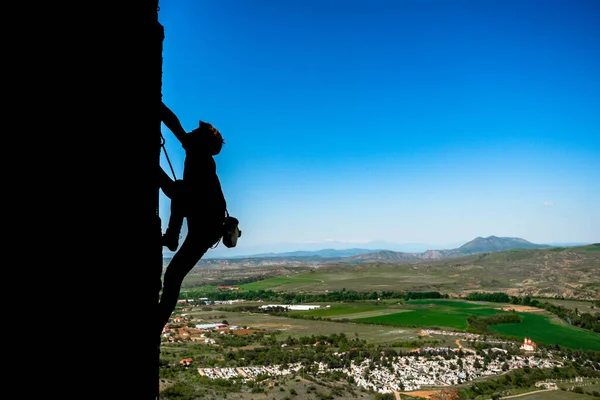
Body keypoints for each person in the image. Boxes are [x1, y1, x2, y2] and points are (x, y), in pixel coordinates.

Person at [157, 101, 227, 337]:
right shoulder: (200, 155)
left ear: (202, 141)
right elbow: (175, 125)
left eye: (196, 132)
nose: (191, 133)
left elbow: (174, 124)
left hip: (205, 227)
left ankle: (156, 325)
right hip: (206, 224)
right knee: (179, 190)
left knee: (174, 274)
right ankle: (171, 238)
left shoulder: (199, 156)